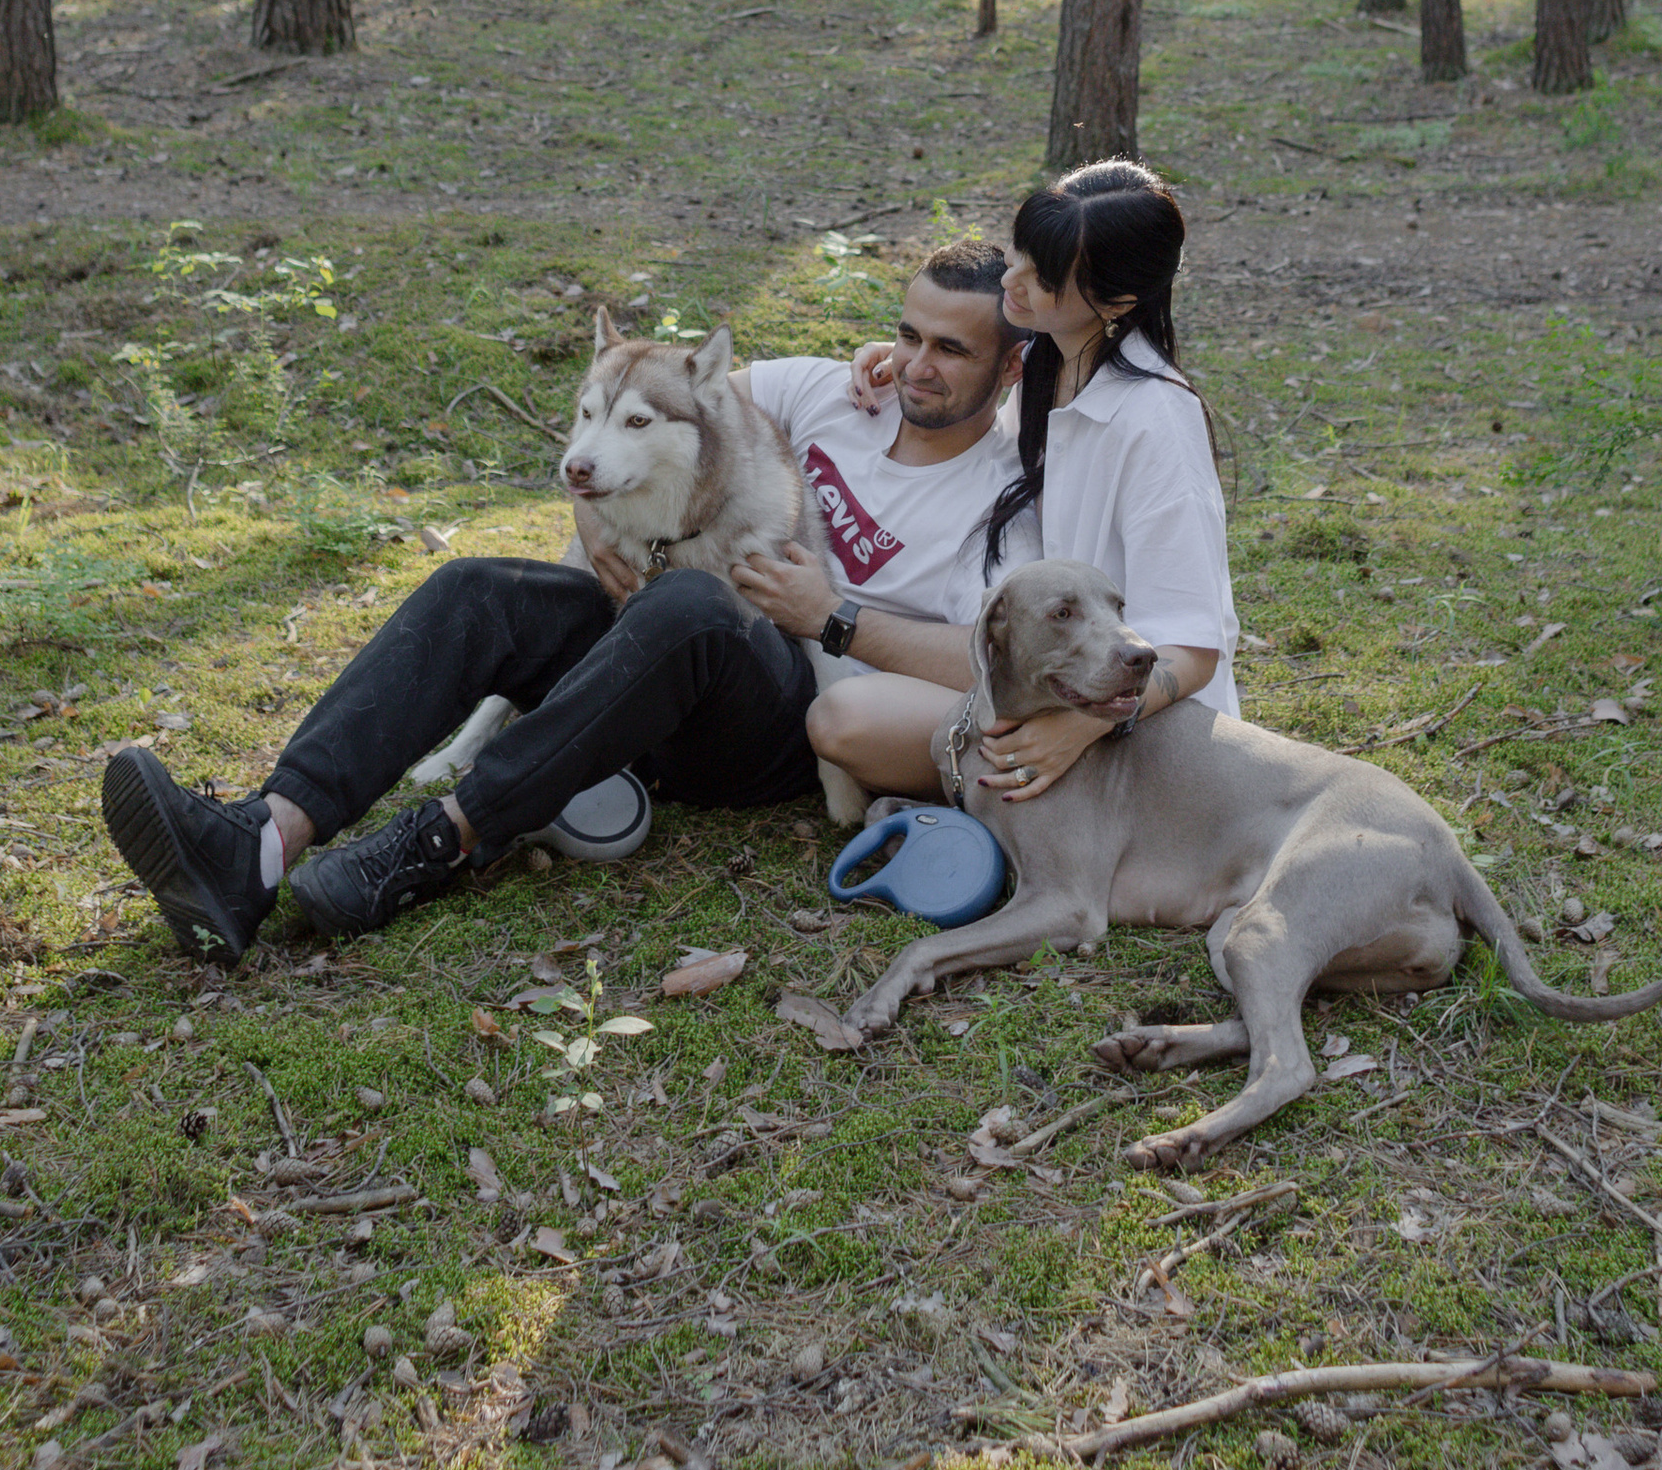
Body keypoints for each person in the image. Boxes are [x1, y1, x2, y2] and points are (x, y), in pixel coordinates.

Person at [96, 243, 1024, 959]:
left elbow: (985, 672)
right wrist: (592, 515)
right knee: (478, 589)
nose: (914, 365)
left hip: (779, 712)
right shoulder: (829, 391)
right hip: (646, 652)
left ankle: (436, 843)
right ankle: (262, 840)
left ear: (1011, 369)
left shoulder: (1007, 502)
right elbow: (649, 405)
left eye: (951, 349)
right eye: (907, 335)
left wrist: (833, 612)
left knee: (694, 605)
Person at [805, 158, 1238, 811]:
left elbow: (1192, 649)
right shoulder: (1045, 360)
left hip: (1133, 722)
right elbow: (969, 373)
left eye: (1042, 278)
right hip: (1054, 672)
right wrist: (888, 358)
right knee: (846, 711)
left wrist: (1085, 725)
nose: (1012, 281)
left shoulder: (1155, 424)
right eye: (1019, 257)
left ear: (1117, 302)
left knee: (849, 718)